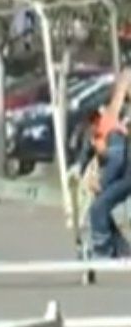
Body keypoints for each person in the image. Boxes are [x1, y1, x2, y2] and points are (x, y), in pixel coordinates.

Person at [70, 68, 131, 259]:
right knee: (101, 206)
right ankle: (119, 248)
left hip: (125, 172)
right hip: (121, 169)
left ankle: (103, 250)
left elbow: (117, 156)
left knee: (99, 207)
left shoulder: (116, 123)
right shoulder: (110, 117)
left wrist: (103, 181)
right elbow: (94, 145)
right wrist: (81, 167)